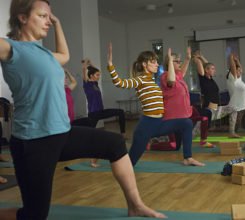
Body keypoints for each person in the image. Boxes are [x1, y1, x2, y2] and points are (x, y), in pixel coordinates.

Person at [0, 1, 166, 219]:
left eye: (50, 17)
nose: (48, 21)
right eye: (42, 16)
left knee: (115, 144)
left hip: (62, 132)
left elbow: (65, 55)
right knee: (34, 215)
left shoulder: (47, 54)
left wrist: (57, 23)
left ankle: (135, 205)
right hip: (34, 141)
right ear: (22, 18)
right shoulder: (11, 48)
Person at [107, 43, 204, 166]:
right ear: (144, 64)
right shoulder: (140, 79)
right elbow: (120, 83)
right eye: (153, 62)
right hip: (147, 125)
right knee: (130, 163)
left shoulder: (152, 81)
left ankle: (187, 157)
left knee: (186, 123)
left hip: (159, 123)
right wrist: (110, 65)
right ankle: (104, 154)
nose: (157, 64)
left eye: (157, 62)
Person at [161, 47, 213, 148]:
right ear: (170, 63)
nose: (179, 63)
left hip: (185, 113)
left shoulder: (178, 76)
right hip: (173, 117)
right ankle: (150, 145)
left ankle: (203, 141)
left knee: (204, 118)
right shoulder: (165, 76)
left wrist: (188, 59)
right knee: (174, 146)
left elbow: (182, 72)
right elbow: (171, 81)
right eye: (177, 61)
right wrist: (171, 61)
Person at [81, 59, 127, 168]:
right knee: (91, 137)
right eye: (97, 75)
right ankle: (92, 161)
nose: (99, 76)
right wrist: (85, 65)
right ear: (91, 76)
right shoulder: (87, 84)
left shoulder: (95, 83)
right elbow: (84, 71)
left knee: (120, 112)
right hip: (93, 114)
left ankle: (123, 134)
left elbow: (93, 70)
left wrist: (91, 63)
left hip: (101, 111)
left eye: (99, 75)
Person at [193, 50, 240, 138]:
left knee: (234, 109)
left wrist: (202, 56)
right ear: (206, 70)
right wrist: (196, 59)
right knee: (194, 133)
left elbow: (207, 64)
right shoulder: (203, 78)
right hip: (209, 110)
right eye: (213, 69)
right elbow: (203, 66)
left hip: (216, 109)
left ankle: (232, 132)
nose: (215, 70)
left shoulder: (210, 79)